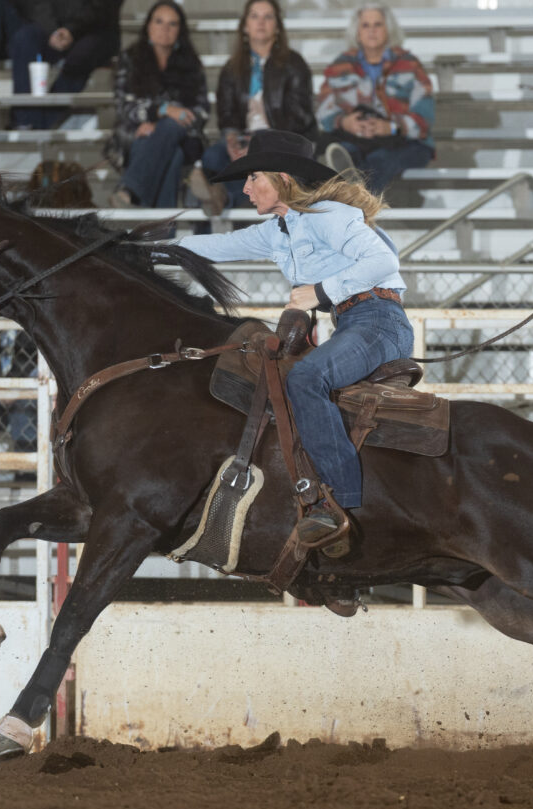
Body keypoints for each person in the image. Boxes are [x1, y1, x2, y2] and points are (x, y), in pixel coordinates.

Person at [178, 129, 413, 544]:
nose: (246, 188)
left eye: (254, 178)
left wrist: (321, 293)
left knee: (305, 379)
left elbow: (382, 260)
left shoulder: (328, 216)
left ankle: (337, 503)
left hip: (379, 322)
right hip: (357, 322)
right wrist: (143, 247)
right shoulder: (279, 230)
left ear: (282, 177)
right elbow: (217, 245)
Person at [189, 0, 316, 217]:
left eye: (268, 17)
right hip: (243, 138)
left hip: (281, 139)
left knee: (260, 163)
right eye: (255, 16)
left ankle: (224, 197)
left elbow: (300, 116)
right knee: (213, 156)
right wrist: (231, 140)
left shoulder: (294, 64)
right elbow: (226, 113)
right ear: (245, 26)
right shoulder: (232, 67)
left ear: (277, 26)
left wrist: (259, 142)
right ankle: (216, 197)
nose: (261, 23)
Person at [315, 4, 434, 197]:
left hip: (404, 141)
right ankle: (358, 209)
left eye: (377, 25)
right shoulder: (340, 65)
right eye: (365, 25)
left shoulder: (409, 64)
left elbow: (425, 117)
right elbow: (324, 108)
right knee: (343, 152)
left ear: (388, 30)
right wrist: (345, 122)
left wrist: (392, 127)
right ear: (357, 31)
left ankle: (357, 209)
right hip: (355, 139)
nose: (371, 31)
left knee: (380, 160)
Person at [104, 1, 208, 209]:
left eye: (172, 24)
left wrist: (161, 124)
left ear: (180, 30)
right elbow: (124, 105)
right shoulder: (130, 58)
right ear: (148, 25)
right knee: (173, 153)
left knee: (171, 127)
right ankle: (164, 236)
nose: (165, 29)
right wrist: (161, 111)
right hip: (136, 134)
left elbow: (202, 112)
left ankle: (129, 192)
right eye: (159, 22)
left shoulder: (191, 64)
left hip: (184, 136)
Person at [7, 0, 123, 129]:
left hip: (96, 29)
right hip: (51, 28)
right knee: (25, 39)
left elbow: (103, 7)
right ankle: (25, 120)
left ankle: (44, 122)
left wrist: (71, 30)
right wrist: (53, 30)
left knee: (81, 56)